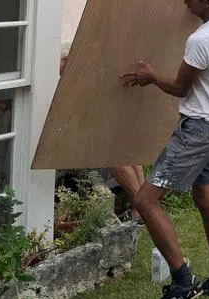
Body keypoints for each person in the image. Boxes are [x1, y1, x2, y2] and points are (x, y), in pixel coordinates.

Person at [120, 0, 209, 299]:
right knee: (205, 198)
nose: (184, 3)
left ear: (206, 0)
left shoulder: (202, 40)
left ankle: (181, 283)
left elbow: (178, 87)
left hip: (198, 130)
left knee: (145, 200)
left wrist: (150, 76)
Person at [59, 54, 146, 219]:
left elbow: (67, 66)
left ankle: (142, 206)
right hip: (113, 95)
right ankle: (144, 205)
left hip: (106, 99)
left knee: (114, 158)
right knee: (127, 153)